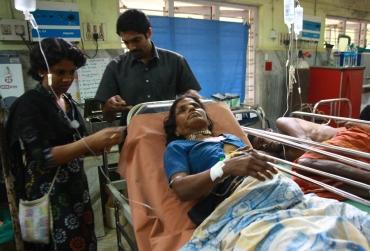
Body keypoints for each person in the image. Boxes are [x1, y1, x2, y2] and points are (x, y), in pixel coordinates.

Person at [6, 38, 124, 251]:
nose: (68, 78)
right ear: (42, 70)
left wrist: (107, 112)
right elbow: (43, 157)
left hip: (76, 191)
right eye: (60, 72)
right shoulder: (28, 105)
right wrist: (89, 143)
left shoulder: (66, 100)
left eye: (72, 72)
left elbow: (82, 133)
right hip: (50, 197)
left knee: (83, 241)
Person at [163, 95, 277, 203]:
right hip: (237, 197)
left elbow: (253, 162)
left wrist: (270, 150)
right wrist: (224, 167)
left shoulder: (231, 137)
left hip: (270, 182)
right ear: (177, 129)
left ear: (207, 120)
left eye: (196, 106)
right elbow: (181, 189)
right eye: (182, 110)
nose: (192, 108)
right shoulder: (177, 147)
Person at [95, 9, 201, 124]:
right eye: (126, 42)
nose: (132, 47)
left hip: (169, 133)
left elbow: (192, 94)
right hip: (134, 135)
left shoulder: (175, 61)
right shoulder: (115, 67)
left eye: (136, 40)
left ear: (149, 33)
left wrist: (191, 97)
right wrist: (109, 107)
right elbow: (107, 117)